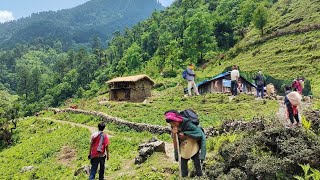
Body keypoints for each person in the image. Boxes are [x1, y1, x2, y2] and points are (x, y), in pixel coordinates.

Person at [164, 110, 206, 178]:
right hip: (184, 148)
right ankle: (184, 177)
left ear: (177, 120)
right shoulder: (173, 127)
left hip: (193, 146)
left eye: (174, 123)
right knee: (183, 164)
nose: (173, 125)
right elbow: (175, 141)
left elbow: (199, 133)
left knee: (197, 163)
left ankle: (200, 176)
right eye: (171, 124)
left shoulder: (188, 124)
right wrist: (174, 134)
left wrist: (186, 135)